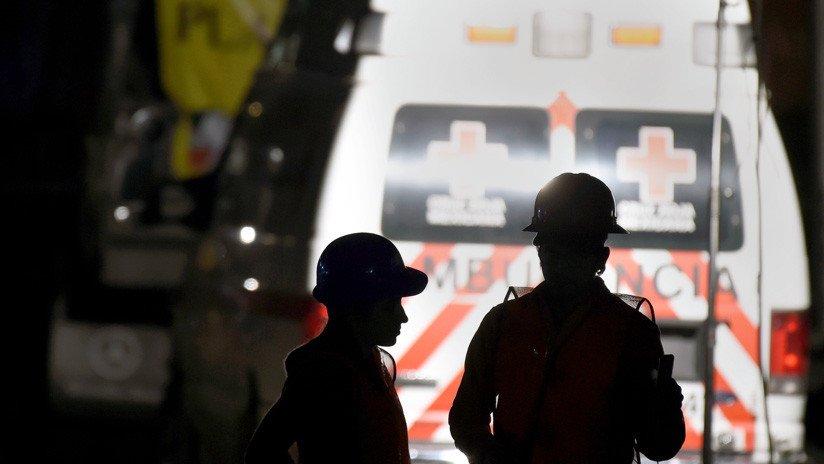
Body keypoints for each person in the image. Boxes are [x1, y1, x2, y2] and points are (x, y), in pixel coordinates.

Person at [449, 172, 686, 464]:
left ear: (601, 258)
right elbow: (465, 420)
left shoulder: (633, 334)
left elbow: (659, 446)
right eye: (554, 251)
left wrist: (664, 407)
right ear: (540, 253)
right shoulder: (501, 324)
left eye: (574, 252)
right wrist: (488, 455)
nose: (561, 265)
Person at [244, 232, 428, 464]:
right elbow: (264, 452)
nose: (402, 317)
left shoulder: (369, 363)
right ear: (356, 307)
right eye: (390, 306)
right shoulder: (322, 374)